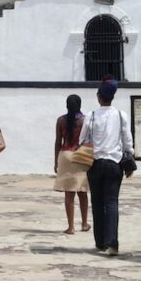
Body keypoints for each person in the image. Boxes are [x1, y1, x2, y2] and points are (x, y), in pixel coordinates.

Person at [79, 78, 134, 256]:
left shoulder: (91, 115)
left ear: (99, 96)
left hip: (95, 163)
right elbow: (127, 141)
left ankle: (100, 241)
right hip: (114, 164)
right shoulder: (121, 115)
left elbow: (83, 140)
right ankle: (112, 242)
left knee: (97, 201)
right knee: (112, 202)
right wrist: (129, 160)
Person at [54, 94, 90, 235]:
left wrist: (55, 160)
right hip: (80, 155)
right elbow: (88, 140)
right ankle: (84, 223)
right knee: (82, 192)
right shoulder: (84, 120)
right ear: (80, 105)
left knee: (69, 194)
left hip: (65, 155)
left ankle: (71, 227)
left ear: (66, 105)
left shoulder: (61, 120)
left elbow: (58, 141)